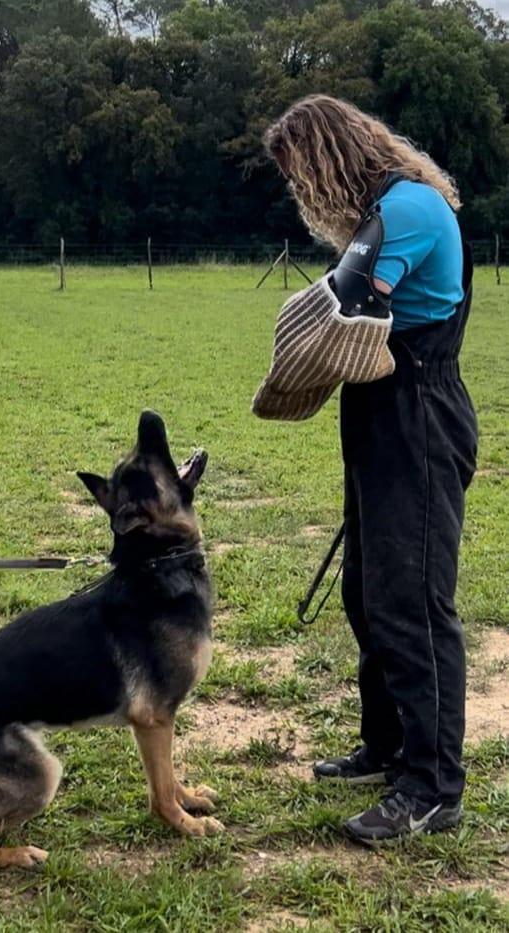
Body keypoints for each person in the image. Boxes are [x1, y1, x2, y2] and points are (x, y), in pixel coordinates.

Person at [264, 95, 478, 844]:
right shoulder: (384, 212)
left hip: (417, 415)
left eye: (301, 177)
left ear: (329, 159)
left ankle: (430, 785)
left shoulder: (409, 210)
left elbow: (342, 311)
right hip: (379, 414)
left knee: (411, 603)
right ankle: (387, 747)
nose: (302, 196)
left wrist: (289, 367)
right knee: (366, 593)